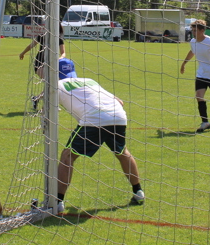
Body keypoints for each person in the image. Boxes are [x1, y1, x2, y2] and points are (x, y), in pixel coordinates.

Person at [54, 57, 143, 214]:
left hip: (94, 118)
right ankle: (138, 192)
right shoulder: (89, 80)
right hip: (118, 115)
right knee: (122, 152)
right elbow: (120, 101)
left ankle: (57, 201)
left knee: (68, 156)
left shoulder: (57, 85)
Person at [20, 29, 66, 112]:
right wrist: (23, 53)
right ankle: (51, 104)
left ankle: (36, 99)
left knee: (55, 84)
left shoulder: (58, 39)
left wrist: (60, 58)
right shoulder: (42, 36)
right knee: (51, 83)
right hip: (39, 63)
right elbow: (31, 45)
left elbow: (63, 53)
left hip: (51, 64)